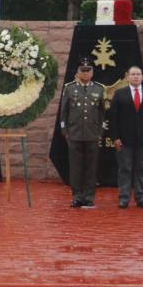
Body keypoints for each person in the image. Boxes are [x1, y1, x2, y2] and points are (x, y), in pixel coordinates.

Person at [109, 66, 143, 209]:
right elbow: (113, 118)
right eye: (133, 74)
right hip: (124, 140)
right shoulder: (120, 93)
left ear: (142, 77)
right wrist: (116, 137)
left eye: (138, 74)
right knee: (125, 169)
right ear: (128, 76)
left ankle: (141, 197)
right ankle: (124, 198)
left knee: (142, 170)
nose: (136, 77)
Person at [59, 57, 105, 208]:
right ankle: (77, 196)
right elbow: (63, 112)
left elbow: (102, 113)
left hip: (92, 133)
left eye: (88, 70)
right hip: (74, 133)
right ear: (77, 72)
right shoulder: (69, 88)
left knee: (91, 167)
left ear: (92, 72)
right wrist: (65, 130)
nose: (85, 73)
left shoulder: (99, 89)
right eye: (82, 71)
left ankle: (89, 196)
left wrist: (100, 131)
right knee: (76, 167)